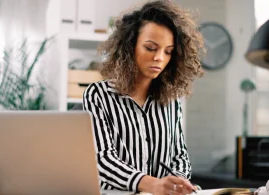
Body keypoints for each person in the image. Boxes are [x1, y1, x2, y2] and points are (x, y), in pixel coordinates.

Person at [83, 1, 205, 195]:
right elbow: (103, 160)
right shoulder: (98, 95)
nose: (159, 58)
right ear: (130, 46)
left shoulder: (172, 99)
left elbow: (179, 156)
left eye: (168, 51)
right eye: (150, 48)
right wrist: (151, 184)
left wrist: (177, 183)